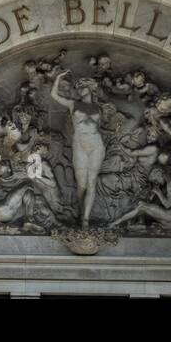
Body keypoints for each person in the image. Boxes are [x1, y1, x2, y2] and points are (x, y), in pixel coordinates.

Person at [51, 70, 106, 226]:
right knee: (81, 184)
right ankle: (79, 210)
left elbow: (100, 127)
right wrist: (58, 78)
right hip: (80, 144)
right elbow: (54, 96)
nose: (80, 90)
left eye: (83, 87)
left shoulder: (98, 108)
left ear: (90, 88)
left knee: (92, 182)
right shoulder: (73, 104)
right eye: (78, 87)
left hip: (96, 144)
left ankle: (85, 219)